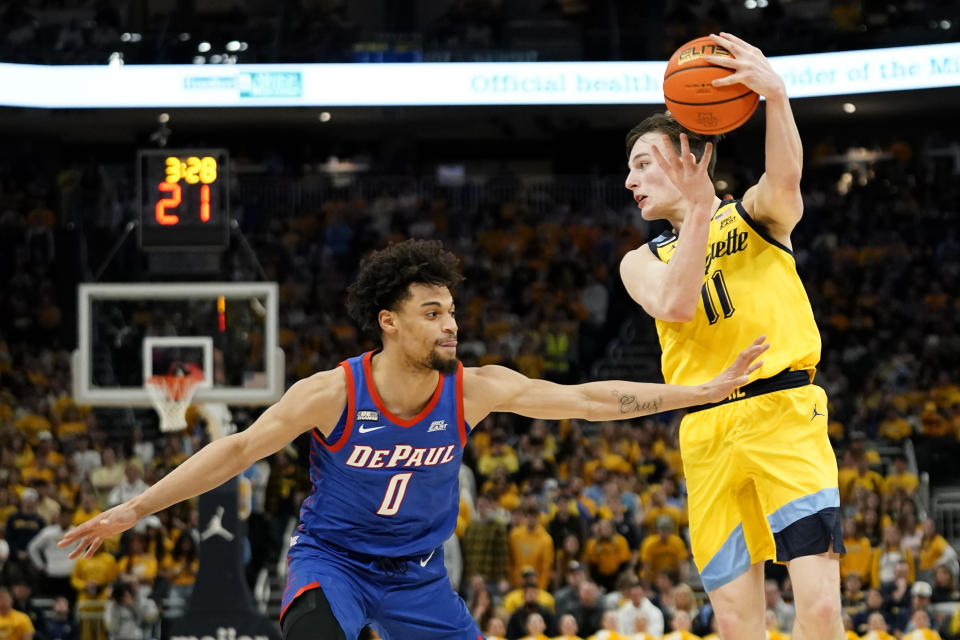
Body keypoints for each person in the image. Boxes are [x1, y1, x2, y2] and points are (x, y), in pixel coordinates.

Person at [61, 239, 766, 640]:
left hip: (420, 575)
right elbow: (238, 450)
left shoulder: (476, 387)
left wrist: (698, 393)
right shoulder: (333, 393)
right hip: (333, 563)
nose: (449, 324)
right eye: (431, 312)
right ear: (388, 323)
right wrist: (133, 509)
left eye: (451, 311)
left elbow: (586, 401)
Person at [620, 31, 843, 640]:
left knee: (820, 612)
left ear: (689, 155)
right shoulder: (639, 261)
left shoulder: (753, 213)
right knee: (740, 624)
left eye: (643, 163)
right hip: (706, 431)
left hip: (783, 413)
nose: (630, 181)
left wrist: (775, 95)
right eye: (630, 170)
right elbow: (678, 302)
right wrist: (694, 215)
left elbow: (788, 178)